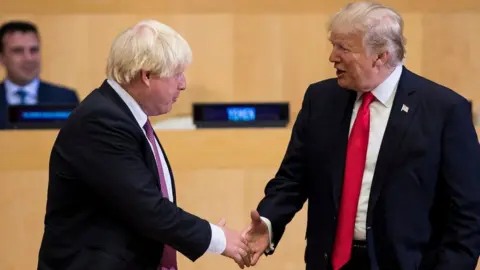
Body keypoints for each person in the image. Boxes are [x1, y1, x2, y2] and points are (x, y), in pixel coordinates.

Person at [242, 2, 480, 270]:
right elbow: (293, 178)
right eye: (333, 45)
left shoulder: (444, 110)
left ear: (381, 56)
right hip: (329, 262)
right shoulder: (320, 99)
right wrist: (269, 222)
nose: (332, 57)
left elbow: (467, 213)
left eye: (343, 48)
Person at [37, 20, 251, 270]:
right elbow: (148, 209)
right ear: (146, 75)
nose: (183, 84)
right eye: (176, 74)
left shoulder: (124, 116)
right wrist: (218, 238)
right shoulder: (101, 121)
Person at [0, 21, 79, 129]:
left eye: (34, 50)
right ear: (2, 58)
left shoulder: (65, 98)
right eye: (18, 51)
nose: (29, 58)